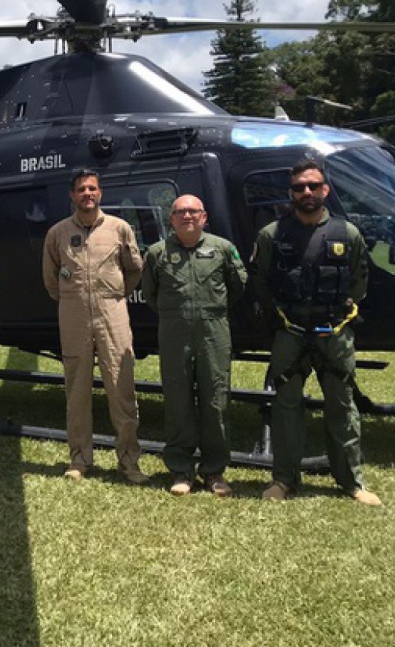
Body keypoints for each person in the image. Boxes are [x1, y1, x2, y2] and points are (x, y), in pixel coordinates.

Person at [252, 157, 381, 506]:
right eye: (299, 187)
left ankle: (351, 482)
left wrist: (339, 314)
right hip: (290, 331)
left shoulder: (346, 234)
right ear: (290, 193)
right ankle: (283, 480)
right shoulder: (272, 236)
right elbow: (260, 283)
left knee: (342, 405)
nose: (306, 192)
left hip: (334, 331)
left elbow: (359, 282)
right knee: (285, 406)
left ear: (325, 190)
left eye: (313, 186)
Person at [43, 169, 147, 484]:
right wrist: (74, 299)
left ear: (100, 192)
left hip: (112, 314)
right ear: (72, 195)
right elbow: (51, 280)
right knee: (77, 392)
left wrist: (112, 296)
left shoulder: (120, 228)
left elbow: (134, 270)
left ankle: (129, 462)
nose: (87, 194)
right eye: (81, 189)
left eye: (92, 188)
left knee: (122, 389)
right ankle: (79, 460)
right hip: (73, 316)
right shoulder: (57, 233)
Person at [141, 195, 248, 497]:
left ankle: (214, 470)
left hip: (213, 331)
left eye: (193, 211)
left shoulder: (223, 249)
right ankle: (181, 469)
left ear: (204, 217)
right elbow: (150, 292)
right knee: (177, 399)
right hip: (174, 331)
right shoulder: (157, 253)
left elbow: (237, 286)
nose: (187, 216)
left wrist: (210, 310)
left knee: (216, 398)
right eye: (180, 212)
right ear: (171, 219)